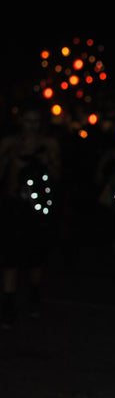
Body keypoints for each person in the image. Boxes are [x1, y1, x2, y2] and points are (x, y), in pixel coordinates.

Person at [0, 100, 61, 329]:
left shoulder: (49, 144)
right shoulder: (9, 143)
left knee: (36, 256)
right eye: (27, 120)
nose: (31, 126)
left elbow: (57, 177)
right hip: (14, 204)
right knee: (10, 257)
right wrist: (8, 160)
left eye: (36, 121)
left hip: (38, 207)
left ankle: (34, 294)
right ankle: (8, 303)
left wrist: (48, 163)